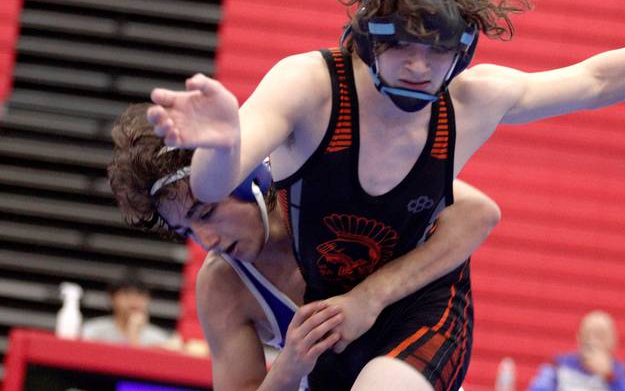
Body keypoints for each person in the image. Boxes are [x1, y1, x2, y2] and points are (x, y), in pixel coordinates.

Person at [146, 0, 625, 390]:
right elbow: (216, 182)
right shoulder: (311, 87)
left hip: (422, 307)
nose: (420, 67)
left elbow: (598, 81)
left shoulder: (470, 102)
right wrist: (223, 141)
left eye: (438, 49)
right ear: (368, 38)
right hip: (332, 305)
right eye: (401, 46)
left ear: (465, 49)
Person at [109, 103, 500, 391]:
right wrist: (290, 365)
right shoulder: (223, 286)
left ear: (247, 178)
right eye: (186, 230)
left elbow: (478, 212)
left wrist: (370, 297)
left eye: (207, 213)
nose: (206, 241)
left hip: (420, 349)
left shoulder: (317, 180)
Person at [527, 310, 625, 391]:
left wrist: (609, 376)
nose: (593, 340)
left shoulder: (624, 374)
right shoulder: (557, 366)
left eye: (600, 335)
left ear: (613, 341)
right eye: (588, 334)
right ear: (578, 337)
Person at [82, 268, 171, 348]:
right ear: (112, 298)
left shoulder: (159, 341)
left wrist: (134, 335)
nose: (134, 301)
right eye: (126, 294)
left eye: (140, 294)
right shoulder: (93, 332)